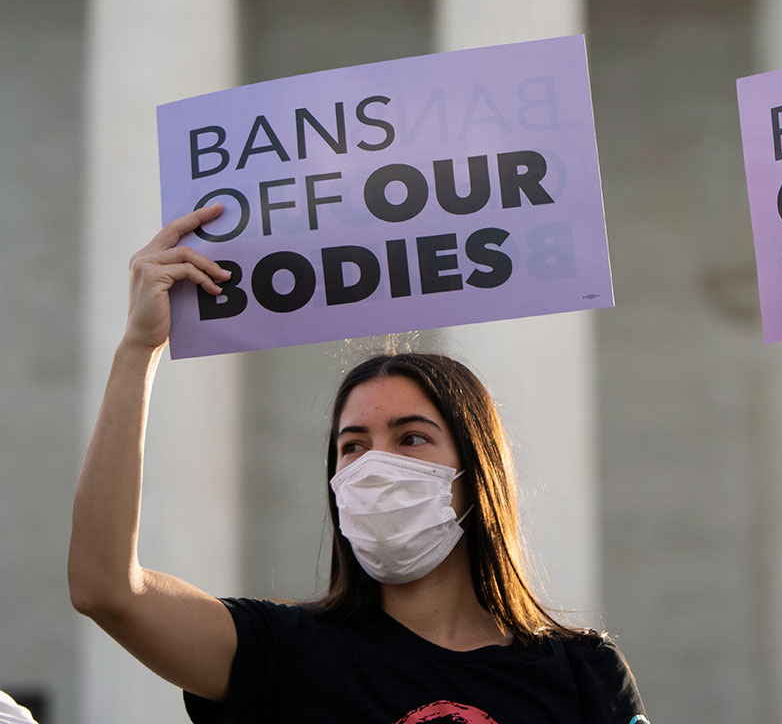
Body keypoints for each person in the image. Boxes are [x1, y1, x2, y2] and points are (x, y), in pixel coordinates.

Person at [68, 205, 649, 723]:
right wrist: (138, 349)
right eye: (352, 445)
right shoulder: (284, 652)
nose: (376, 465)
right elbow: (107, 591)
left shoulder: (581, 671)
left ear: (478, 474)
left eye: (412, 439)